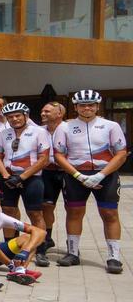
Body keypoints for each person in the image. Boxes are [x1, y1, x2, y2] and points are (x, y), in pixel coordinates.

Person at [52, 89, 127, 272]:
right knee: (74, 212)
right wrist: (78, 176)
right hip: (75, 174)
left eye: (91, 105)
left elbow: (121, 153)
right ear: (76, 107)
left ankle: (114, 257)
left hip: (105, 174)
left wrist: (100, 175)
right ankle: (72, 253)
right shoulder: (64, 127)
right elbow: (58, 155)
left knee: (109, 214)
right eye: (83, 105)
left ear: (97, 106)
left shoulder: (110, 125)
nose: (87, 108)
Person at [0, 102, 50, 239]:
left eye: (18, 115)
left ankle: (39, 247)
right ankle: (10, 246)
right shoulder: (3, 133)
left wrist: (21, 177)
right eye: (10, 117)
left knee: (35, 213)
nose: (14, 119)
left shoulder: (39, 132)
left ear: (26, 115)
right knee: (8, 211)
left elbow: (44, 159)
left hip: (31, 178)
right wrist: (5, 175)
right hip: (8, 177)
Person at [37, 101, 67, 267]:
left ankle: (72, 246)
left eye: (47, 111)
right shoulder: (39, 130)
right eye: (42, 111)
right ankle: (46, 239)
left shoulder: (69, 128)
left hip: (67, 172)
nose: (43, 114)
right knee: (46, 207)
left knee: (73, 209)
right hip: (47, 172)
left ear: (59, 113)